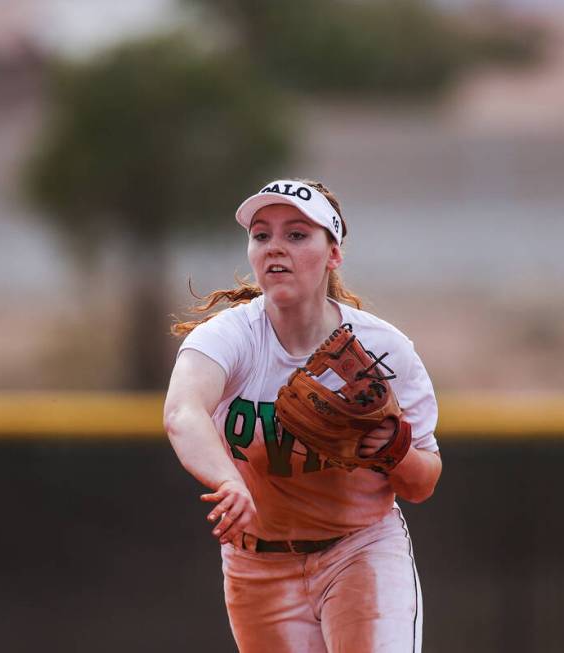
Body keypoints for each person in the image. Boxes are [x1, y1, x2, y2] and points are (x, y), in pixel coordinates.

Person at [163, 179, 442, 653]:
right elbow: (182, 412)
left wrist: (393, 452)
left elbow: (422, 483)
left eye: (296, 235)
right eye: (262, 234)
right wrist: (229, 481)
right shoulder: (231, 337)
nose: (275, 248)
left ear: (333, 253)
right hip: (258, 568)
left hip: (360, 551)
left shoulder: (382, 350)